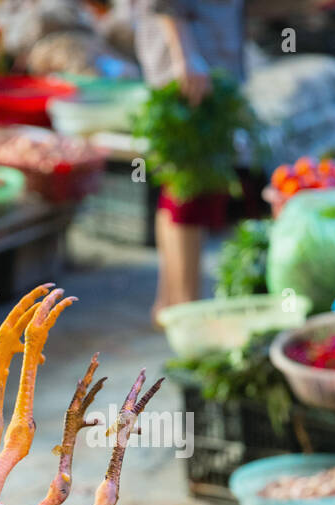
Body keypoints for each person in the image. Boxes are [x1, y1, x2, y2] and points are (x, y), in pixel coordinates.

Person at [132, 0, 246, 317]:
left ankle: (169, 304)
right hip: (192, 65)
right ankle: (188, 312)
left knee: (179, 181)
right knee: (191, 185)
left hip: (204, 59)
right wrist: (186, 55)